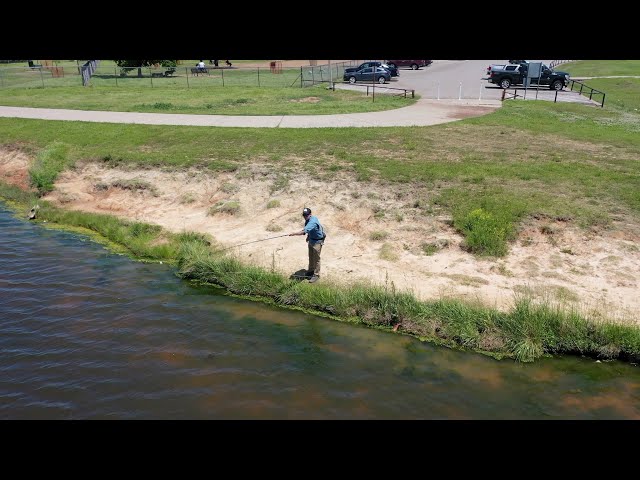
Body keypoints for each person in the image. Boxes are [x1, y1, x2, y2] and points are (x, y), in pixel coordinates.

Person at [288, 207, 325, 283]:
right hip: (311, 240)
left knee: (316, 259)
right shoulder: (308, 220)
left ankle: (316, 275)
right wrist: (308, 236)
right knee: (311, 257)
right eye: (304, 215)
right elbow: (310, 230)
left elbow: (304, 231)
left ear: (310, 214)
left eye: (306, 215)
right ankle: (311, 271)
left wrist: (293, 234)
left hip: (317, 242)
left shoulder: (312, 222)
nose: (305, 217)